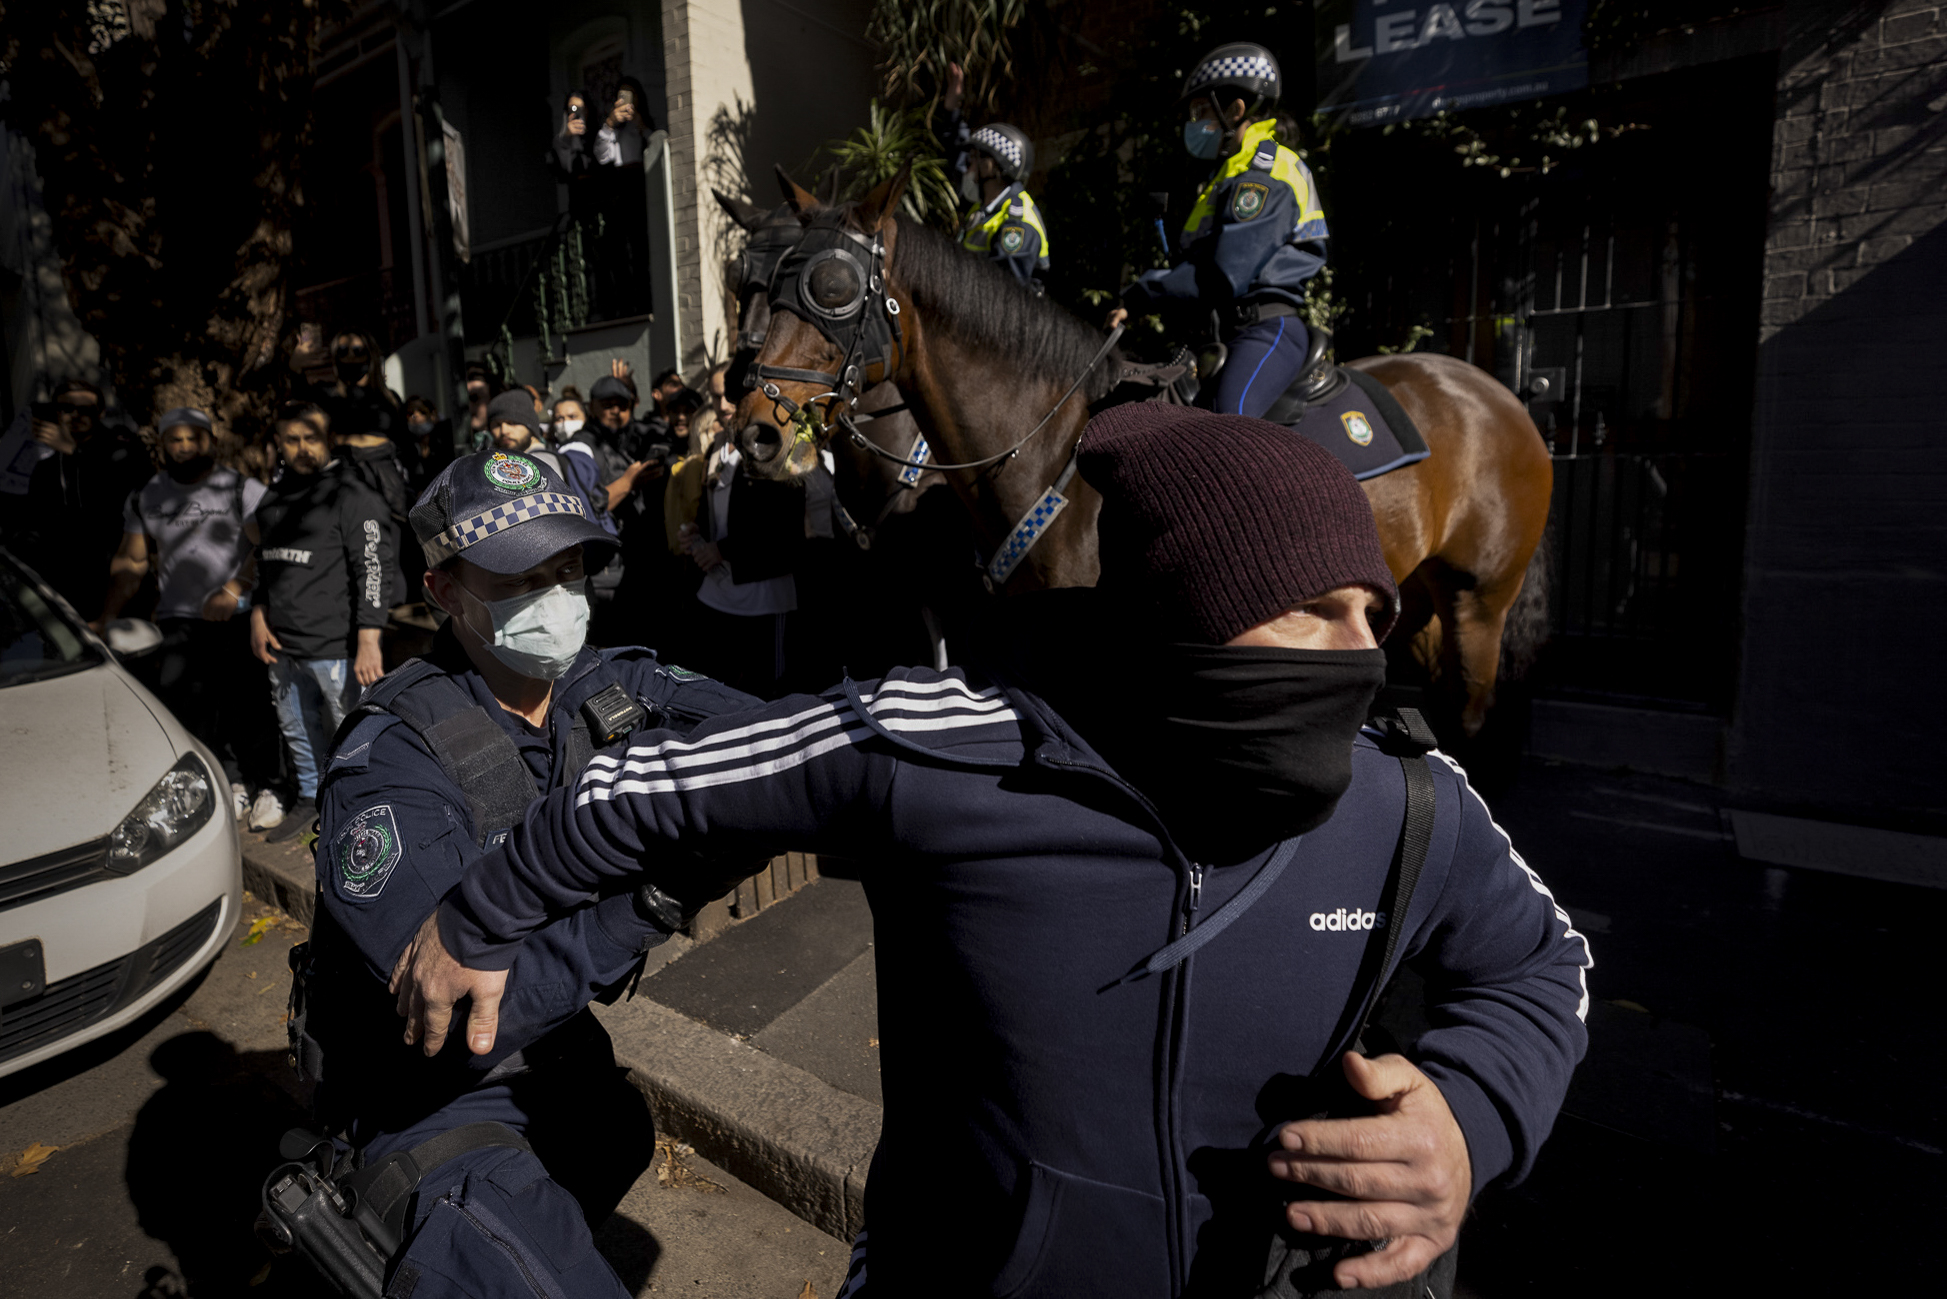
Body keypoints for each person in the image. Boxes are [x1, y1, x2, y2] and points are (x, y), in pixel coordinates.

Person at [394, 403, 1592, 1299]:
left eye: (1371, 617)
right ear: (1182, 604)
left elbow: (1544, 965)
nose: (1358, 655)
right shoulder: (943, 744)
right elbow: (657, 785)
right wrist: (480, 913)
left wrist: (1474, 1120)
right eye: (1313, 607)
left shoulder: (1412, 806)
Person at [298, 448, 757, 1298]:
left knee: (613, 1129)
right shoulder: (390, 756)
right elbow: (466, 1002)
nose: (558, 596)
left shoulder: (603, 682)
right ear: (444, 592)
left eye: (570, 566)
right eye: (521, 579)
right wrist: (654, 896)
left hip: (553, 1051)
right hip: (429, 1098)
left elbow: (771, 743)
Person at [1107, 43, 1329, 420]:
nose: (1193, 123)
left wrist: (1140, 296)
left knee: (1228, 422)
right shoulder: (1227, 175)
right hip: (1222, 332)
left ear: (1235, 110)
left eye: (1200, 111)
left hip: (1265, 330)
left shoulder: (1265, 174)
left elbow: (1223, 274)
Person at [97, 406, 282, 823]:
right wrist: (106, 617)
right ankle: (232, 783)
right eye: (174, 440)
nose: (183, 448)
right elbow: (132, 561)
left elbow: (266, 545)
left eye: (192, 439)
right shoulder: (147, 495)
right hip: (179, 622)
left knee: (250, 707)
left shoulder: (239, 488)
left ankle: (269, 786)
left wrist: (234, 589)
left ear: (211, 442)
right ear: (161, 445)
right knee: (197, 713)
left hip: (236, 616)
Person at [247, 403, 393, 843]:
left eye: (311, 437)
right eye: (291, 439)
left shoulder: (352, 495)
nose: (302, 447)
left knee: (352, 736)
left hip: (337, 649)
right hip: (284, 649)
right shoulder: (273, 499)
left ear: (328, 440)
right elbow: (264, 564)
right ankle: (312, 801)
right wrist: (257, 613)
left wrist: (369, 639)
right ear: (279, 444)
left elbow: (374, 567)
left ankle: (362, 811)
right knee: (299, 733)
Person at [2, 378, 153, 620]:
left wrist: (74, 451)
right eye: (66, 409)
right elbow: (33, 520)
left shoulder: (123, 448)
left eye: (86, 410)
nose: (76, 416)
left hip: (116, 581)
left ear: (101, 413)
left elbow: (125, 494)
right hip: (65, 584)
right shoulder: (46, 467)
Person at [935, 62, 1050, 289]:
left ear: (997, 168)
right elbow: (958, 151)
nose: (969, 164)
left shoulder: (1016, 222)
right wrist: (952, 108)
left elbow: (1001, 296)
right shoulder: (985, 208)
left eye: (976, 158)